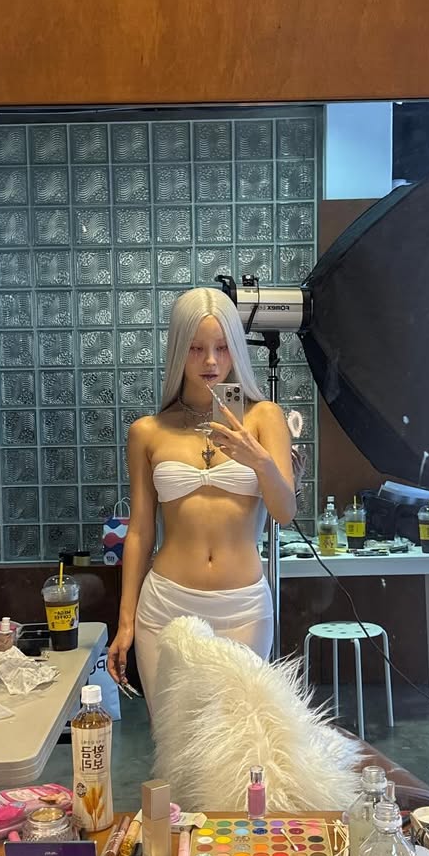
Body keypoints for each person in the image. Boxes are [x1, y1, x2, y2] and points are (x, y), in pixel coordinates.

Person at [107, 287, 296, 708]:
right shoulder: (148, 431)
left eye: (222, 347)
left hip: (244, 607)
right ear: (178, 350)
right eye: (195, 349)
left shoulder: (265, 417)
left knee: (239, 735)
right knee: (173, 738)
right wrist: (125, 623)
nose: (210, 361)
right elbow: (139, 532)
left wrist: (259, 461)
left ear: (236, 349)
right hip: (165, 604)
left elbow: (285, 513)